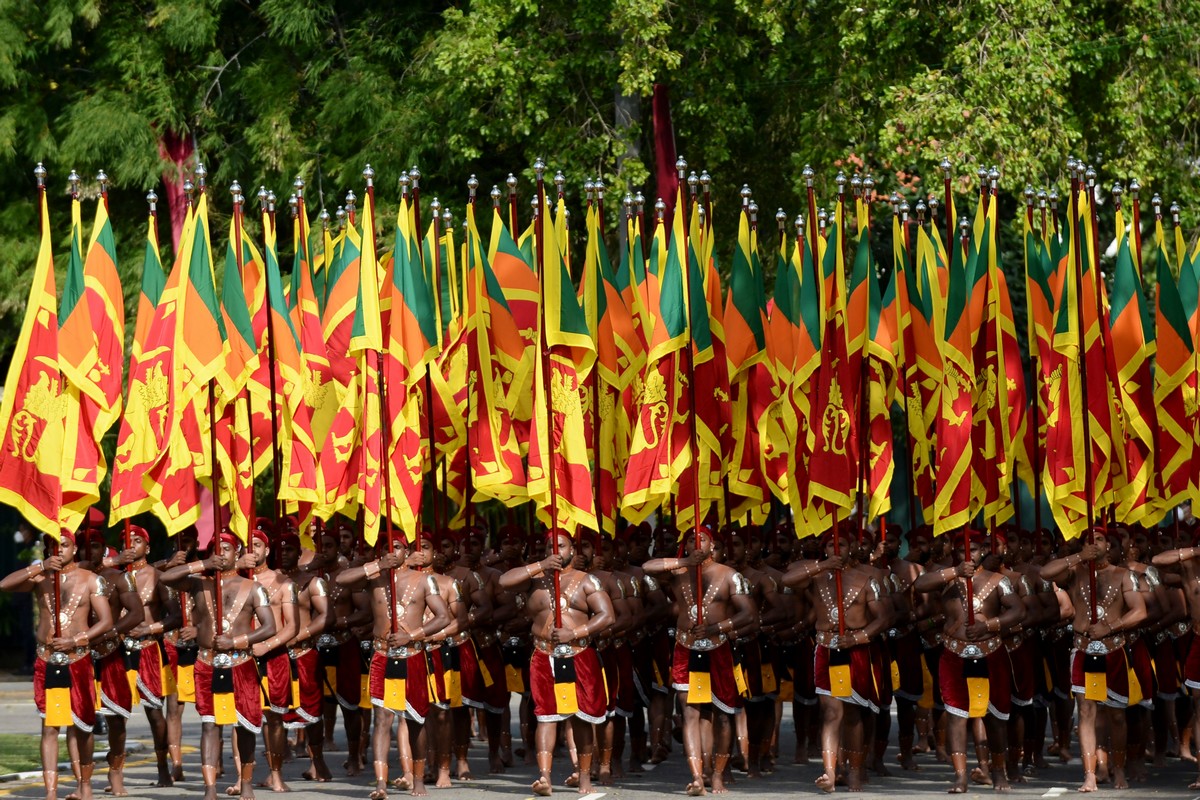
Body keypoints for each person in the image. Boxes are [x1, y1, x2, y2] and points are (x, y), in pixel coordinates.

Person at [160, 530, 278, 800]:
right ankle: (210, 788)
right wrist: (202, 565)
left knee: (245, 725)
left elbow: (270, 627)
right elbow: (165, 577)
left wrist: (238, 640)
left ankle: (246, 782)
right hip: (207, 662)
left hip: (241, 661)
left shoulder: (253, 588)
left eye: (226, 549)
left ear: (237, 553)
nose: (221, 553)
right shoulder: (199, 584)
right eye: (216, 549)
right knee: (210, 725)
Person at [499, 529, 615, 797]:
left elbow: (607, 616)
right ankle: (544, 778)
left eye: (561, 546)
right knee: (546, 717)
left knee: (582, 718)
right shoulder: (534, 580)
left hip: (579, 654)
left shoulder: (587, 581)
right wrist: (540, 565)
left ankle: (585, 777)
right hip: (543, 656)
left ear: (572, 550)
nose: (555, 551)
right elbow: (505, 581)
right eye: (549, 546)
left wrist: (574, 633)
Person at [336, 531, 450, 799]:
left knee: (415, 719)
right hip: (381, 655)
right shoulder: (374, 579)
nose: (391, 552)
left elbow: (443, 617)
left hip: (412, 654)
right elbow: (341, 579)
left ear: (406, 551)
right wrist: (377, 565)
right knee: (381, 720)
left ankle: (418, 780)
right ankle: (380, 783)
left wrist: (412, 635)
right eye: (386, 547)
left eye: (397, 547)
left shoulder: (424, 580)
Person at [1, 530, 114, 800]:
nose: (58, 550)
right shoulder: (40, 578)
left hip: (78, 657)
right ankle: (51, 792)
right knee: (50, 727)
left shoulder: (91, 580)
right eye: (53, 546)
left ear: (74, 550)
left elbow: (106, 621)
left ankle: (84, 785)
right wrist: (39, 565)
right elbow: (4, 584)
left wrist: (78, 638)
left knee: (83, 726)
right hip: (46, 659)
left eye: (63, 546)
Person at [644, 525, 755, 796]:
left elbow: (748, 614)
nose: (697, 544)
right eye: (691, 540)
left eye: (702, 539)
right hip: (686, 647)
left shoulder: (730, 575)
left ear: (712, 544)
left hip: (718, 648)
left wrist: (719, 628)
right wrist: (683, 560)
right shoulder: (678, 574)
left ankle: (716, 774)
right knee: (690, 712)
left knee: (722, 715)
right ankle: (696, 775)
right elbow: (648, 568)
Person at [783, 525, 887, 793]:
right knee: (831, 712)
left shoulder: (867, 578)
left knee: (853, 714)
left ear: (852, 548)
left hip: (855, 650)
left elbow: (883, 618)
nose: (836, 550)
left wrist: (858, 637)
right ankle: (829, 772)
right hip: (826, 649)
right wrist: (822, 565)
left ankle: (853, 771)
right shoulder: (817, 575)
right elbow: (787, 580)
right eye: (831, 545)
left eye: (842, 545)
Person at [1043, 528, 1146, 791]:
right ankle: (1089, 775)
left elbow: (1139, 611)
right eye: (1088, 540)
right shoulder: (1075, 572)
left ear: (1109, 547)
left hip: (1113, 649)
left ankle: (1118, 769)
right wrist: (1077, 556)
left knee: (1117, 715)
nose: (1094, 543)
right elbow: (1045, 573)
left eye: (1099, 539)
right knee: (1086, 712)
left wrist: (1110, 627)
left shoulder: (1122, 575)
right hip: (1083, 648)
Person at [82, 525, 144, 797]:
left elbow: (137, 613)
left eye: (94, 546)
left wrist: (111, 630)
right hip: (79, 654)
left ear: (103, 549)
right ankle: (83, 780)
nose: (89, 551)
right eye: (85, 546)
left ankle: (115, 771)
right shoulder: (70, 578)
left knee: (117, 719)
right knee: (80, 720)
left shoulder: (120, 578)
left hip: (111, 653)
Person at [246, 520, 299, 793]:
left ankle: (275, 773)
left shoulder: (282, 582)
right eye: (247, 546)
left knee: (274, 717)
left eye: (256, 545)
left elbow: (292, 625)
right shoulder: (234, 582)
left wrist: (267, 646)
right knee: (239, 718)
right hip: (241, 656)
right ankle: (242, 778)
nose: (251, 551)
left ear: (266, 550)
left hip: (273, 656)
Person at [277, 528, 331, 782]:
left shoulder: (312, 582)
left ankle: (317, 762)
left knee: (313, 712)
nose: (284, 554)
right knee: (273, 711)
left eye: (289, 550)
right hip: (275, 654)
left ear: (299, 553)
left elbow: (325, 616)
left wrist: (299, 635)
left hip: (304, 653)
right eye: (280, 550)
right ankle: (275, 769)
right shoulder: (268, 581)